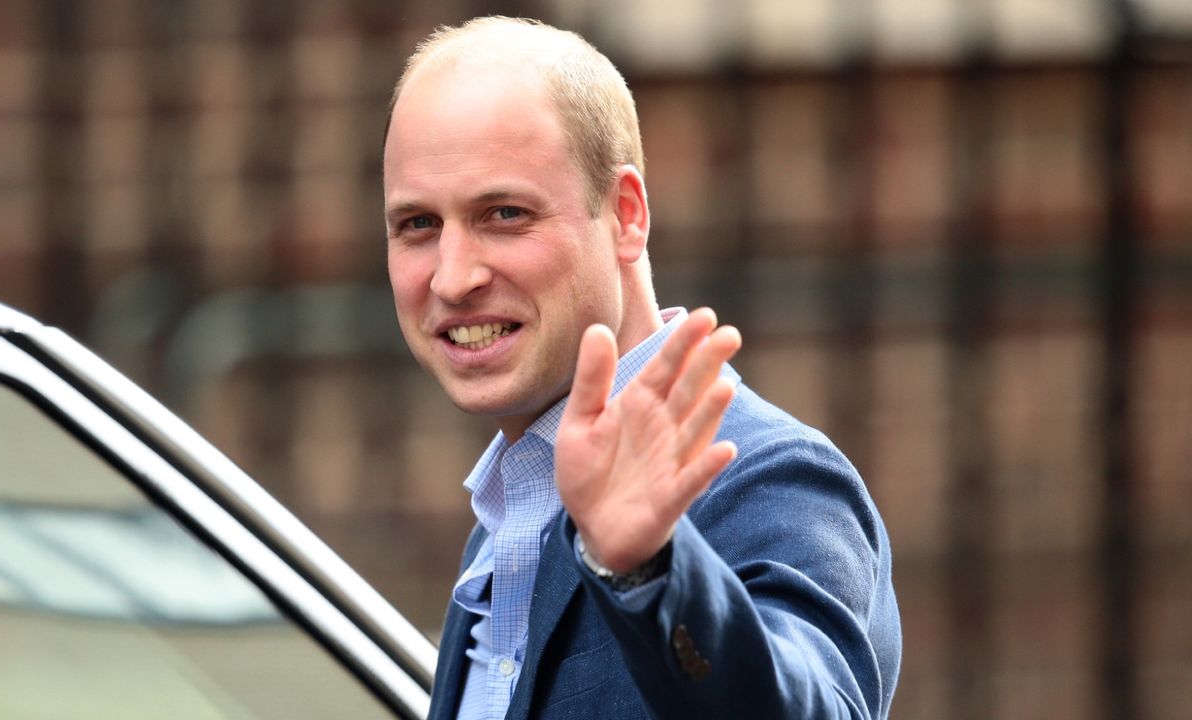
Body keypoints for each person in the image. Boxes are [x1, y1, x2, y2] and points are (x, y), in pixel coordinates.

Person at [382, 16, 900, 720]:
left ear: (626, 215)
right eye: (418, 225)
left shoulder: (770, 478)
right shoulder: (508, 516)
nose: (452, 277)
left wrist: (651, 569)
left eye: (504, 213)